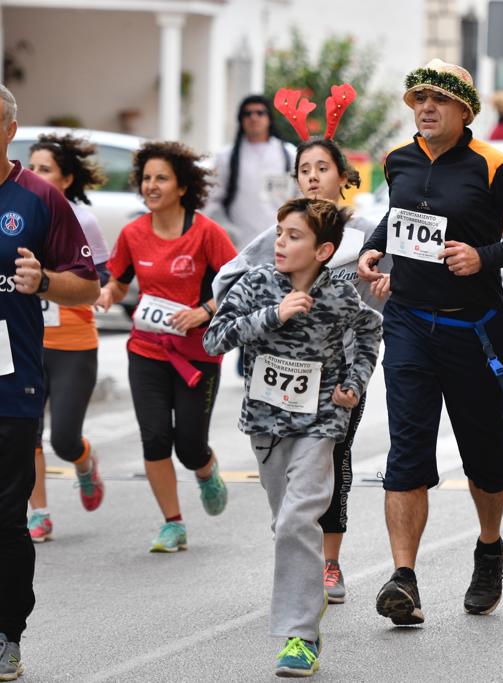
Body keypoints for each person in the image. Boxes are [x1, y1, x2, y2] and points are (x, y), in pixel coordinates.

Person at [357, 58, 503, 626]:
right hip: (410, 322)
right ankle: (404, 579)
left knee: (485, 454)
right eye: (417, 98)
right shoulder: (398, 159)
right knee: (408, 451)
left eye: (437, 100)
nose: (425, 107)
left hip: (475, 328)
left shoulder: (494, 166)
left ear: (464, 110)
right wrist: (375, 246)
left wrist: (483, 256)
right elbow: (400, 216)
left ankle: (489, 547)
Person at [0, 78, 99, 682]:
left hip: (8, 385)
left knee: (5, 519)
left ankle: (9, 635)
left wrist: (43, 281)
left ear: (9, 131)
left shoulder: (41, 200)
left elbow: (87, 285)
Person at [204, 198, 382, 677]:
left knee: (297, 520)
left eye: (294, 236)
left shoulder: (341, 295)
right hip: (266, 424)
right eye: (279, 233)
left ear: (324, 250)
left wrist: (355, 382)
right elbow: (213, 339)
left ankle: (300, 637)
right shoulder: (257, 284)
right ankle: (307, 593)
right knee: (285, 519)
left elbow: (370, 332)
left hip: (320, 423)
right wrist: (273, 315)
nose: (280, 243)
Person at [213, 134, 389, 605]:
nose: (312, 176)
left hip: (340, 375)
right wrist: (249, 310)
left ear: (344, 177)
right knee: (284, 493)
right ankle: (298, 548)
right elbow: (229, 276)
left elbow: (394, 290)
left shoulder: (368, 234)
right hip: (277, 384)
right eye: (304, 169)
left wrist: (383, 291)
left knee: (333, 459)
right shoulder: (279, 235)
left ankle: (328, 564)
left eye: (322, 168)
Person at [96, 141, 236, 553]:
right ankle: (172, 523)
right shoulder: (133, 234)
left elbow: (237, 283)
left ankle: (206, 470)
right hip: (147, 351)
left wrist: (203, 311)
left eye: (161, 178)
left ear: (182, 186)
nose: (151, 186)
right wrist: (107, 293)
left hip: (196, 355)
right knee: (155, 439)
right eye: (146, 178)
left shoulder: (207, 233)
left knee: (189, 445)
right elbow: (119, 279)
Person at [26, 133, 112, 542]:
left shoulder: (83, 219)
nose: (35, 175)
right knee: (24, 432)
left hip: (73, 343)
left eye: (45, 169)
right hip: (24, 339)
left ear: (65, 179)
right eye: (31, 167)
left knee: (62, 437)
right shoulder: (15, 213)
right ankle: (38, 512)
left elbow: (103, 276)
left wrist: (96, 290)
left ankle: (83, 460)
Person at [206, 95, 298, 249]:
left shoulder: (289, 154)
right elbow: (212, 200)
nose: (254, 118)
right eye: (247, 114)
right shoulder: (225, 157)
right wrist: (227, 230)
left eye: (260, 113)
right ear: (241, 120)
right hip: (239, 245)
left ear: (269, 118)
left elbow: (301, 196)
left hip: (281, 243)